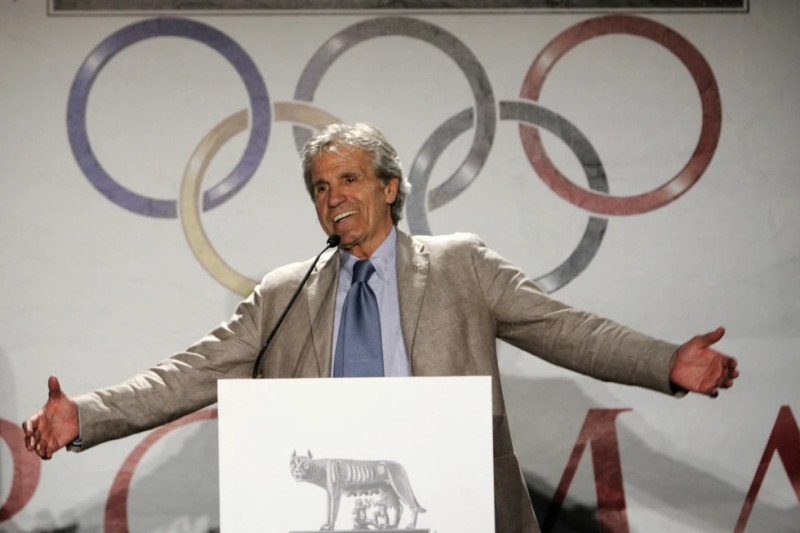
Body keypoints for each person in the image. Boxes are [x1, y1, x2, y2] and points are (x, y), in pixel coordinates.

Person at [22, 122, 739, 532]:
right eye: (321, 187)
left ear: (390, 188)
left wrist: (665, 360)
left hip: (457, 512)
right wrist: (85, 413)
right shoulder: (284, 291)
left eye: (351, 180)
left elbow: (566, 327)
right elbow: (187, 372)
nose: (335, 197)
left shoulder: (460, 265)